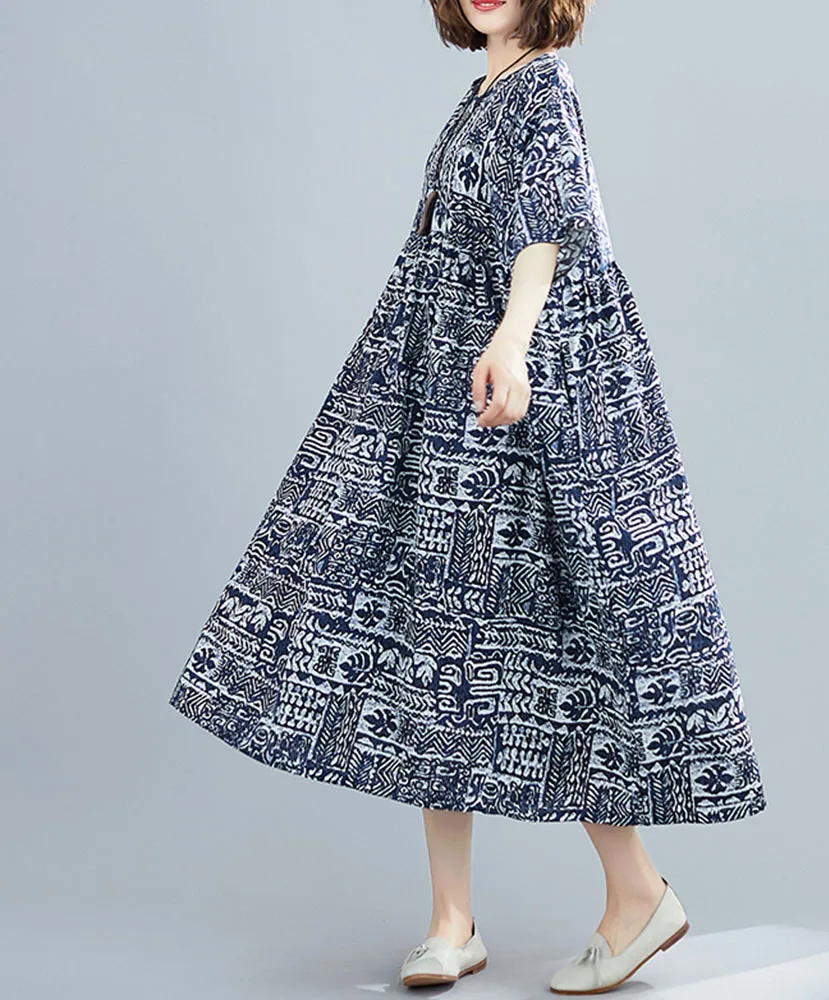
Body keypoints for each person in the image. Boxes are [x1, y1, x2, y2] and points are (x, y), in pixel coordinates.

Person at [168, 0, 768, 992]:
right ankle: (453, 920)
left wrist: (512, 340)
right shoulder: (482, 95)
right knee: (436, 641)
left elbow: (546, 235)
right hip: (445, 385)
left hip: (507, 394)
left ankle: (635, 890)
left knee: (553, 636)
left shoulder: (542, 92)